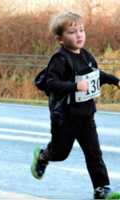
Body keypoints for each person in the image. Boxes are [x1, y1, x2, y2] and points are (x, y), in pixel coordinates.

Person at [31, 11, 120, 199]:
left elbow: (97, 75)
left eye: (81, 30)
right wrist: (74, 86)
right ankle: (42, 156)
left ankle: (101, 189)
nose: (79, 35)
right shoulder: (60, 59)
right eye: (72, 32)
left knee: (94, 153)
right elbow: (51, 83)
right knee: (60, 153)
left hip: (86, 116)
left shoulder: (86, 56)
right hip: (64, 117)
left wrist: (115, 80)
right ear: (60, 39)